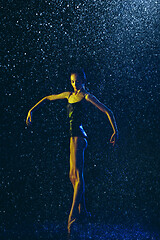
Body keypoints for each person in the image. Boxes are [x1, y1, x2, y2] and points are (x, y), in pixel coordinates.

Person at [26, 69, 118, 233]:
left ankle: (72, 218)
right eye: (73, 81)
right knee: (72, 175)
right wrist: (31, 110)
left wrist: (115, 131)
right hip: (71, 137)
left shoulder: (86, 96)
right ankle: (83, 212)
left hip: (80, 137)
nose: (75, 84)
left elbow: (107, 111)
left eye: (77, 81)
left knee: (78, 176)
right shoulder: (69, 95)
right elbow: (48, 98)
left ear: (84, 80)